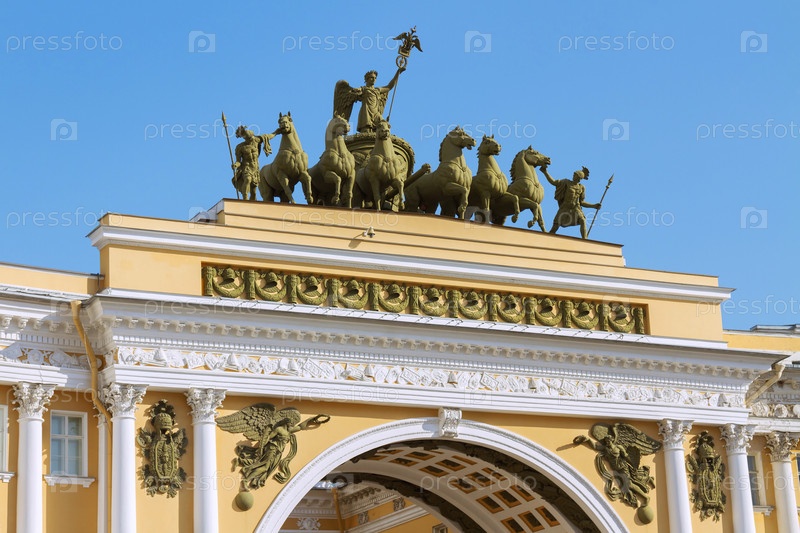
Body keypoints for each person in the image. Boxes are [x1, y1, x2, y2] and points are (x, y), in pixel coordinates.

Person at [541, 165, 601, 239]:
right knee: (555, 226)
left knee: (582, 220)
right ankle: (548, 238)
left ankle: (585, 239)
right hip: (565, 207)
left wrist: (594, 206)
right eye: (574, 175)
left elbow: (582, 202)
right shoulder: (566, 182)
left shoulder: (581, 187)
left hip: (576, 208)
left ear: (579, 178)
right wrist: (545, 172)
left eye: (575, 175)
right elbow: (553, 182)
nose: (573, 176)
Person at [352, 67, 405, 133]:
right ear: (367, 79)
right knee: (366, 132)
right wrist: (355, 90)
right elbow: (356, 91)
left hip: (376, 113)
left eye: (375, 78)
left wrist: (398, 72)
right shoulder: (364, 89)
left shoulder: (377, 90)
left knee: (384, 125)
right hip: (366, 113)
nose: (374, 79)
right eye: (372, 77)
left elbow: (389, 86)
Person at [232, 126, 274, 200]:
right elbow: (238, 161)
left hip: (255, 168)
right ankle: (245, 199)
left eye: (252, 137)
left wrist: (276, 132)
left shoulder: (256, 141)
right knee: (248, 179)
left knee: (254, 190)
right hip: (246, 167)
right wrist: (235, 165)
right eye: (250, 139)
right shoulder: (240, 147)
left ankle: (253, 202)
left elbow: (267, 137)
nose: (252, 139)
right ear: (245, 139)